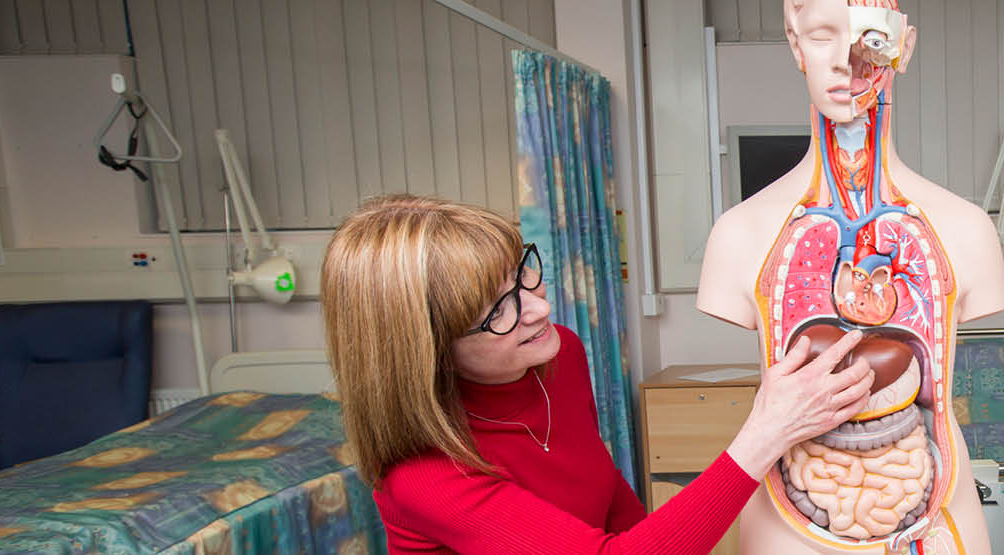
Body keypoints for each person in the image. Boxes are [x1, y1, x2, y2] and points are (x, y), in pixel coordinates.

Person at [322, 195, 876, 554]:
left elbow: (605, 491)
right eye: (497, 312)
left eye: (524, 275)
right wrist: (764, 434)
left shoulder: (556, 356)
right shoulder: (425, 476)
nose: (538, 310)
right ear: (431, 353)